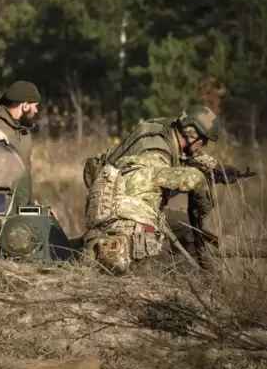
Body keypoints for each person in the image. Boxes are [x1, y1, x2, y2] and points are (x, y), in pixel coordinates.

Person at [82, 105, 224, 273]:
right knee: (180, 267)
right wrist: (203, 207)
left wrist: (215, 167)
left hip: (103, 209)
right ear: (191, 132)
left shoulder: (155, 129)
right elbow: (193, 178)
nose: (204, 145)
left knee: (185, 226)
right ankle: (209, 279)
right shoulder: (157, 157)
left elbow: (188, 155)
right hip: (129, 222)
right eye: (204, 140)